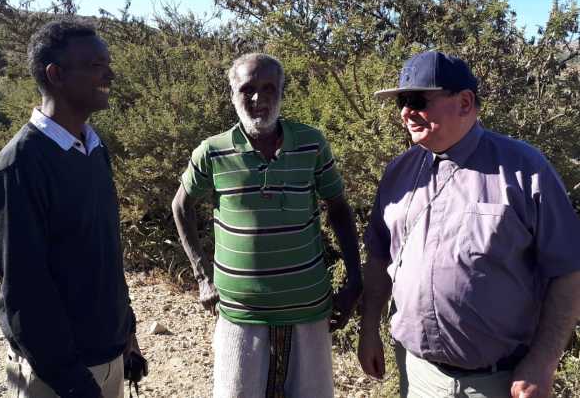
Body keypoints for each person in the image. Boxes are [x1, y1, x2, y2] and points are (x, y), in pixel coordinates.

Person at [358, 51, 580, 398]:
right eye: (402, 101)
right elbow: (378, 255)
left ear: (464, 102)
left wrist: (543, 362)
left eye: (417, 99)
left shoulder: (525, 170)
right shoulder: (399, 172)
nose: (405, 112)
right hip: (417, 375)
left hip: (499, 382)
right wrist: (368, 327)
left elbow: (569, 270)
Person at [171, 53, 362, 397]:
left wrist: (354, 280)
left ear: (282, 92)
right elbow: (181, 205)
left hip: (308, 306)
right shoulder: (212, 152)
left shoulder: (311, 144)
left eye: (269, 88)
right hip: (239, 312)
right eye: (248, 89)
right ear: (233, 95)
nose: (258, 99)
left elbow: (339, 209)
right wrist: (201, 277)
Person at [0, 20, 144, 398]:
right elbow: (25, 292)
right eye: (95, 66)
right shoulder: (20, 165)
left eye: (108, 63)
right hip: (56, 377)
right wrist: (73, 383)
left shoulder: (92, 147)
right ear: (55, 74)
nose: (110, 74)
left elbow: (104, 251)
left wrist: (128, 332)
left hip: (107, 358)